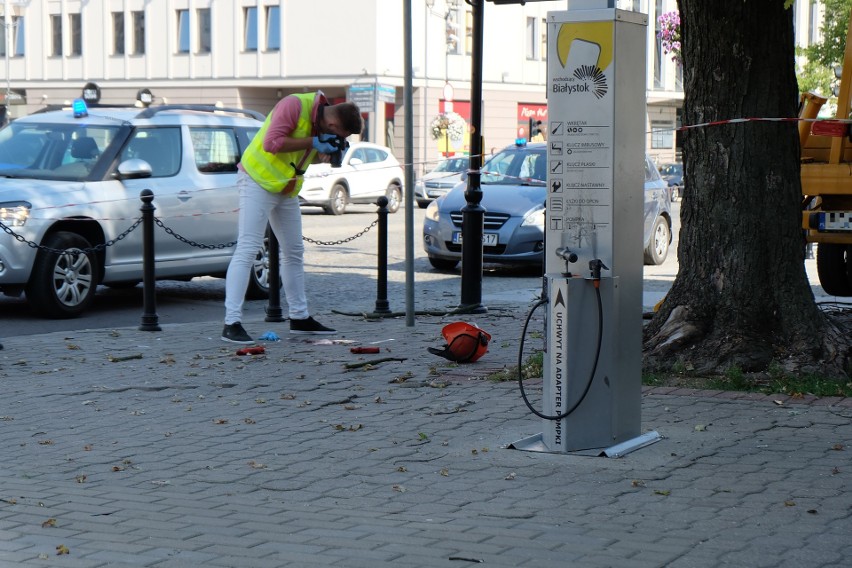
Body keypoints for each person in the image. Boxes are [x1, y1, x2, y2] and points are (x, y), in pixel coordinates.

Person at [222, 91, 363, 344]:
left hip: (286, 187)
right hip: (257, 180)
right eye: (339, 135)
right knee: (248, 247)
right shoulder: (294, 105)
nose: (336, 138)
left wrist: (325, 154)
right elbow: (271, 144)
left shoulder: (321, 123)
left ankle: (299, 317)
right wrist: (314, 142)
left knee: (294, 251)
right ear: (332, 124)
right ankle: (231, 322)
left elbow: (300, 154)